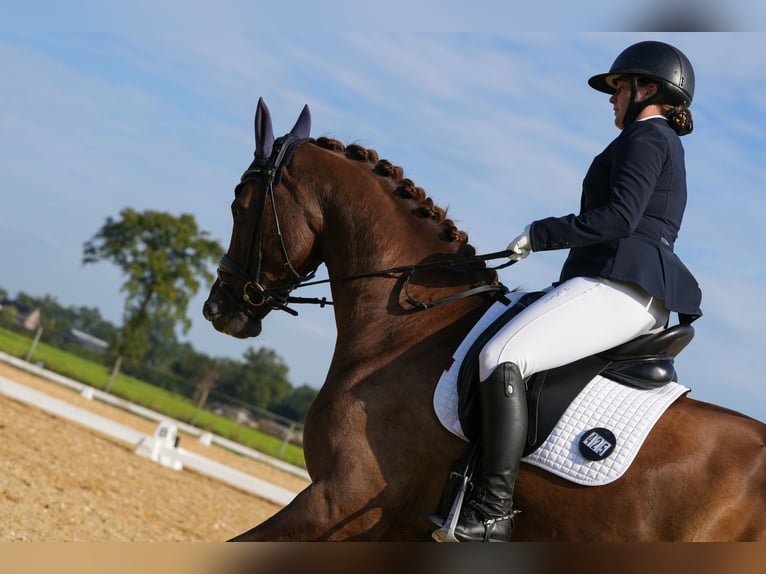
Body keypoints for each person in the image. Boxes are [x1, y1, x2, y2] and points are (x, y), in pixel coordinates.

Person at [449, 40, 702, 542]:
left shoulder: (646, 138)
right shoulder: (655, 140)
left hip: (619, 282)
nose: (611, 98)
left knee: (502, 355)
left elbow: (619, 218)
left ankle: (492, 509)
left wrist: (540, 233)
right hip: (626, 283)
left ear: (646, 89)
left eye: (617, 88)